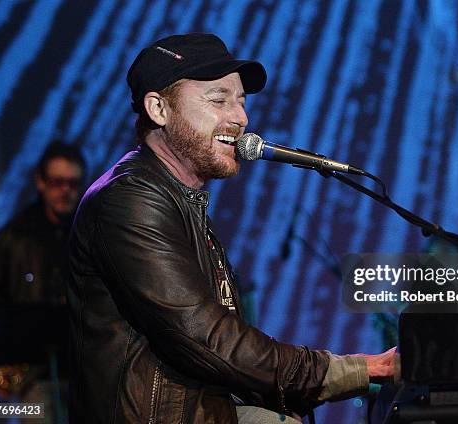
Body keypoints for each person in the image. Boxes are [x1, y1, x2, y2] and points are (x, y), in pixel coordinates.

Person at [67, 33, 396, 423]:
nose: (241, 118)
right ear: (158, 108)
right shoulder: (130, 199)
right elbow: (208, 339)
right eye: (218, 99)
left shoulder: (182, 201)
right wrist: (358, 370)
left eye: (241, 101)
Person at [0, 141, 84, 422]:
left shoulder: (90, 232)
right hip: (34, 375)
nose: (65, 190)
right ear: (40, 182)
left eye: (73, 183)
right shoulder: (14, 236)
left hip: (83, 372)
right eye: (57, 182)